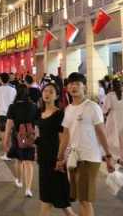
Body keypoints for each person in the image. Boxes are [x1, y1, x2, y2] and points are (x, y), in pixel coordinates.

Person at [57, 72, 115, 216]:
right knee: (81, 200)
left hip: (89, 158)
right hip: (73, 158)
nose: (73, 87)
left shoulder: (92, 107)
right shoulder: (69, 109)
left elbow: (101, 132)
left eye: (77, 83)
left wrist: (108, 156)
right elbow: (65, 135)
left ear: (85, 87)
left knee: (85, 200)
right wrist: (60, 158)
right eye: (70, 84)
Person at [36, 84, 75, 216]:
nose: (47, 94)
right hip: (43, 158)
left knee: (47, 197)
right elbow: (40, 135)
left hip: (54, 159)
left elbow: (64, 137)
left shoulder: (59, 114)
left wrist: (61, 158)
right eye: (45, 91)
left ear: (57, 96)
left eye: (51, 92)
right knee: (58, 197)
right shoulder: (40, 113)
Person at [4, 85, 38, 198]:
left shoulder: (12, 107)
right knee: (29, 163)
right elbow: (37, 125)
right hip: (30, 137)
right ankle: (28, 189)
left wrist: (5, 140)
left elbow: (9, 126)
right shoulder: (34, 106)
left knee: (18, 160)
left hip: (17, 136)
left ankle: (19, 180)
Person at [103, 79, 123, 166]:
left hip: (112, 117)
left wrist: (104, 113)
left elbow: (106, 108)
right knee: (121, 139)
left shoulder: (110, 95)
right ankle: (122, 158)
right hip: (121, 117)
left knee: (108, 137)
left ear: (112, 86)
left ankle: (108, 155)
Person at [0, 73, 17, 161]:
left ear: (1, 80)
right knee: (10, 133)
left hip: (1, 114)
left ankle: (7, 153)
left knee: (3, 134)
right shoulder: (13, 90)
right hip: (12, 114)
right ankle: (11, 152)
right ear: (9, 80)